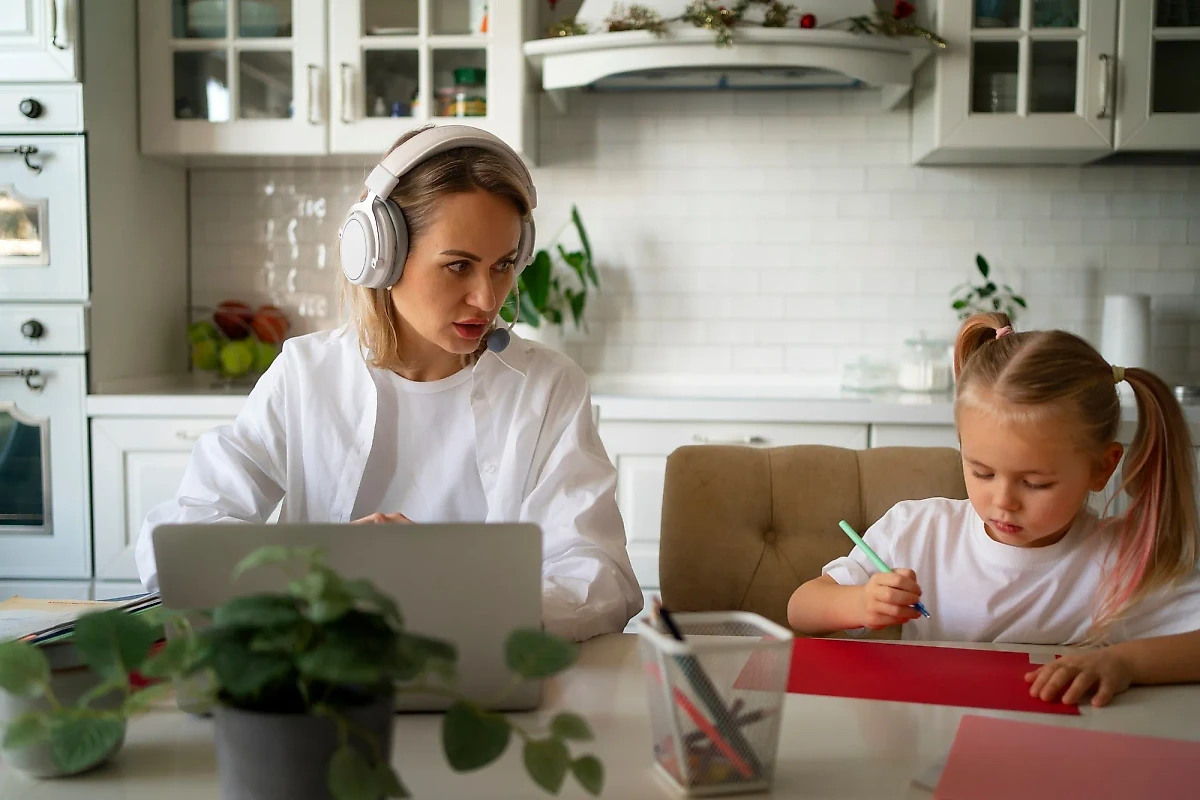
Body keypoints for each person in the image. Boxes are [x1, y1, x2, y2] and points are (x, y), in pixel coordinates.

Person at [135, 124, 643, 642]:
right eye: (458, 266)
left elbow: (602, 576)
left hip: (489, 679)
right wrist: (321, 566)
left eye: (504, 265)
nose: (488, 299)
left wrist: (459, 588)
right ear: (381, 255)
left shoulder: (548, 387)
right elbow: (174, 539)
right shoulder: (306, 374)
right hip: (326, 684)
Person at [787, 312, 1200, 706]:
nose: (1003, 501)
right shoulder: (919, 531)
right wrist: (859, 603)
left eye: (1035, 483)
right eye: (982, 472)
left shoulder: (1122, 558)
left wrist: (1123, 663)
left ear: (1101, 468)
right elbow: (801, 607)